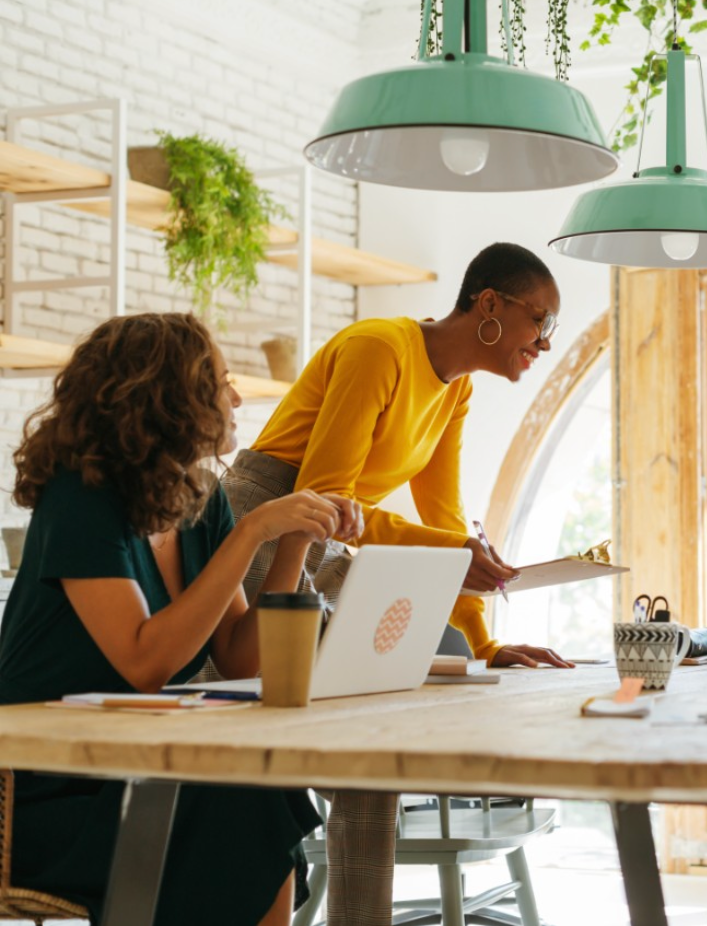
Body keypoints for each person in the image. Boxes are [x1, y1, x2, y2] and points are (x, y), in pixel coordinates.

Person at [218, 241, 573, 925]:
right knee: (356, 745)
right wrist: (447, 550)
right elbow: (321, 495)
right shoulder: (380, 347)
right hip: (265, 524)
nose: (547, 343)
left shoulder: (456, 388)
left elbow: (443, 518)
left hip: (324, 534)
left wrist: (483, 641)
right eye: (542, 322)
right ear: (489, 305)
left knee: (370, 746)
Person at [0, 313, 362, 926]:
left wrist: (293, 543)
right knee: (240, 803)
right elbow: (145, 663)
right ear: (172, 397)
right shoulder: (81, 498)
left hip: (142, 764)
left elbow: (241, 655)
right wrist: (252, 532)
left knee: (261, 792)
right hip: (49, 786)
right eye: (222, 382)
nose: (238, 397)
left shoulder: (199, 500)